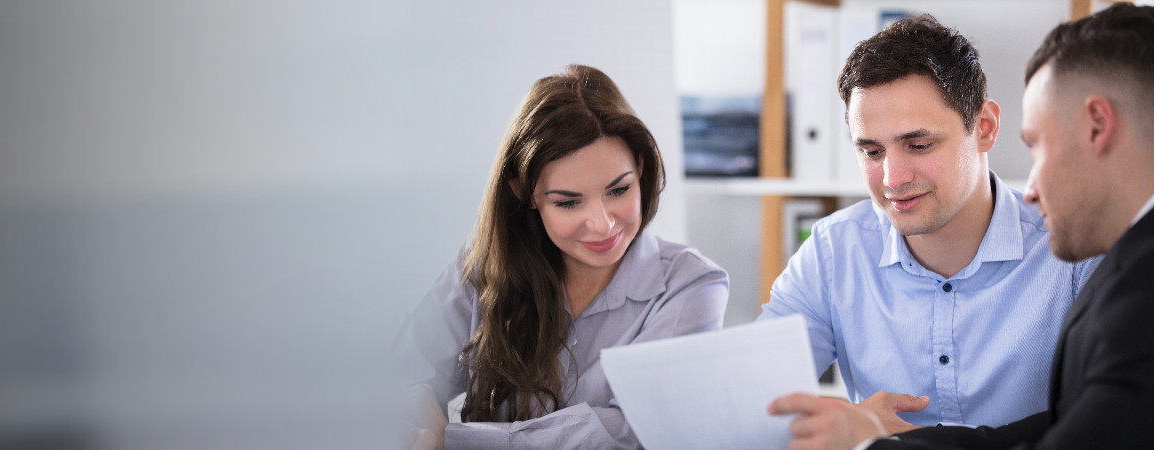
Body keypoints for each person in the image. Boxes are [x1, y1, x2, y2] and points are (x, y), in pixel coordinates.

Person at [768, 4, 1153, 449]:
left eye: (918, 144)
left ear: (984, 127)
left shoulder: (1080, 243)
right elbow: (757, 398)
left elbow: (1091, 426)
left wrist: (880, 444)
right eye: (872, 152)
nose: (893, 179)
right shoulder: (834, 250)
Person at [391, 64, 729, 449]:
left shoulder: (692, 285)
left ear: (640, 166)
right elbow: (400, 385)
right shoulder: (483, 267)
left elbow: (634, 433)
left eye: (618, 190)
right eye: (568, 203)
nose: (602, 225)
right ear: (525, 194)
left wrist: (453, 439)